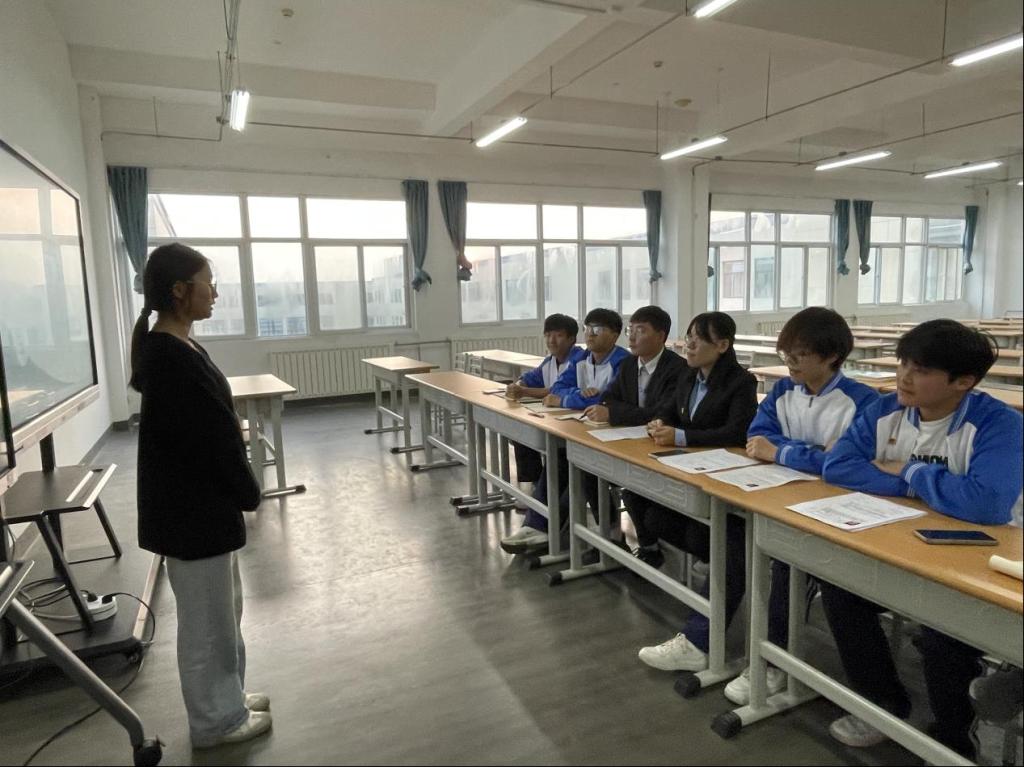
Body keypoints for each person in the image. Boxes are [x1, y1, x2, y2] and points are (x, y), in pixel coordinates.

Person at [820, 319, 1023, 757]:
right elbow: (837, 467)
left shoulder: (999, 424)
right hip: (900, 539)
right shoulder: (885, 409)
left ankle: (953, 739)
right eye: (903, 364)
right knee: (839, 585)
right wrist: (924, 487)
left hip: (980, 556)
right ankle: (882, 701)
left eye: (922, 370)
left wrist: (910, 469)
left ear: (963, 382)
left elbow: (987, 503)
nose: (904, 377)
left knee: (944, 629)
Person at [131, 243, 271, 749]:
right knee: (207, 625)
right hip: (192, 513)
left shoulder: (180, 348)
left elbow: (214, 424)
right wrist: (247, 488)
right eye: (208, 283)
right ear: (179, 290)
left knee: (223, 614)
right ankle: (215, 721)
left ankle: (229, 698)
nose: (214, 292)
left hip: (204, 510)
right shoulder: (170, 358)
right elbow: (210, 439)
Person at [723, 307, 878, 706]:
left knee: (789, 565)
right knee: (750, 544)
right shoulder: (783, 391)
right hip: (783, 496)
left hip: (841, 508)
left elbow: (845, 464)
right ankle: (770, 655)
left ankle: (774, 662)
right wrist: (810, 453)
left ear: (831, 356)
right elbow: (757, 438)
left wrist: (782, 452)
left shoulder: (862, 401)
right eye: (785, 354)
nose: (789, 363)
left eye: (799, 355)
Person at [630, 312, 758, 673]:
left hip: (725, 476)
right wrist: (660, 423)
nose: (689, 344)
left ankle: (700, 632)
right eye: (688, 337)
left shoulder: (741, 382)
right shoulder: (688, 376)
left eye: (698, 339)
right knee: (654, 516)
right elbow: (668, 411)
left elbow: (737, 432)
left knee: (726, 543)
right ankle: (707, 561)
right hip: (691, 472)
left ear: (723, 345)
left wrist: (683, 436)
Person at [500, 308, 630, 554]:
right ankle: (539, 524)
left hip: (616, 437)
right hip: (583, 430)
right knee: (559, 459)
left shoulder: (623, 361)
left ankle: (549, 526)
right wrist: (578, 394)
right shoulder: (584, 359)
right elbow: (557, 388)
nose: (590, 334)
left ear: (615, 335)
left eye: (597, 329)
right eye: (587, 328)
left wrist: (570, 398)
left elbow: (607, 399)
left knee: (577, 466)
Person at [505, 314, 586, 499]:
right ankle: (535, 486)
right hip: (553, 417)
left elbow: (557, 390)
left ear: (572, 339)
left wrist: (524, 391)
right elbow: (531, 377)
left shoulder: (579, 359)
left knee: (551, 448)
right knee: (522, 431)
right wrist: (518, 385)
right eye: (548, 335)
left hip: (574, 421)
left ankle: (545, 493)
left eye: (558, 335)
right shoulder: (550, 360)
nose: (551, 340)